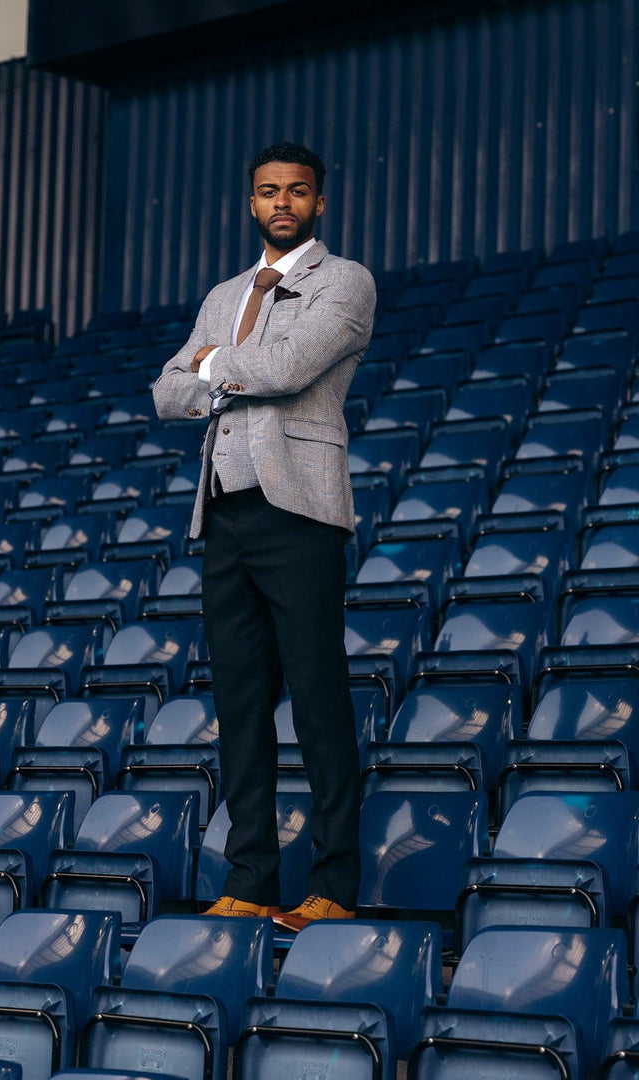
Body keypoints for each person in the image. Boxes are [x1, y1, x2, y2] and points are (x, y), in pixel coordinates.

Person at [153, 141, 376, 931]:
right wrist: (224, 370)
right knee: (240, 703)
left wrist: (210, 366)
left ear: (319, 202)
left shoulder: (344, 281)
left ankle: (335, 886)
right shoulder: (224, 295)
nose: (283, 202)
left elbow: (290, 368)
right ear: (252, 203)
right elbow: (164, 393)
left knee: (317, 700)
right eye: (269, 191)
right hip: (225, 512)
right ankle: (251, 880)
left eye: (297, 191)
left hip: (300, 511)